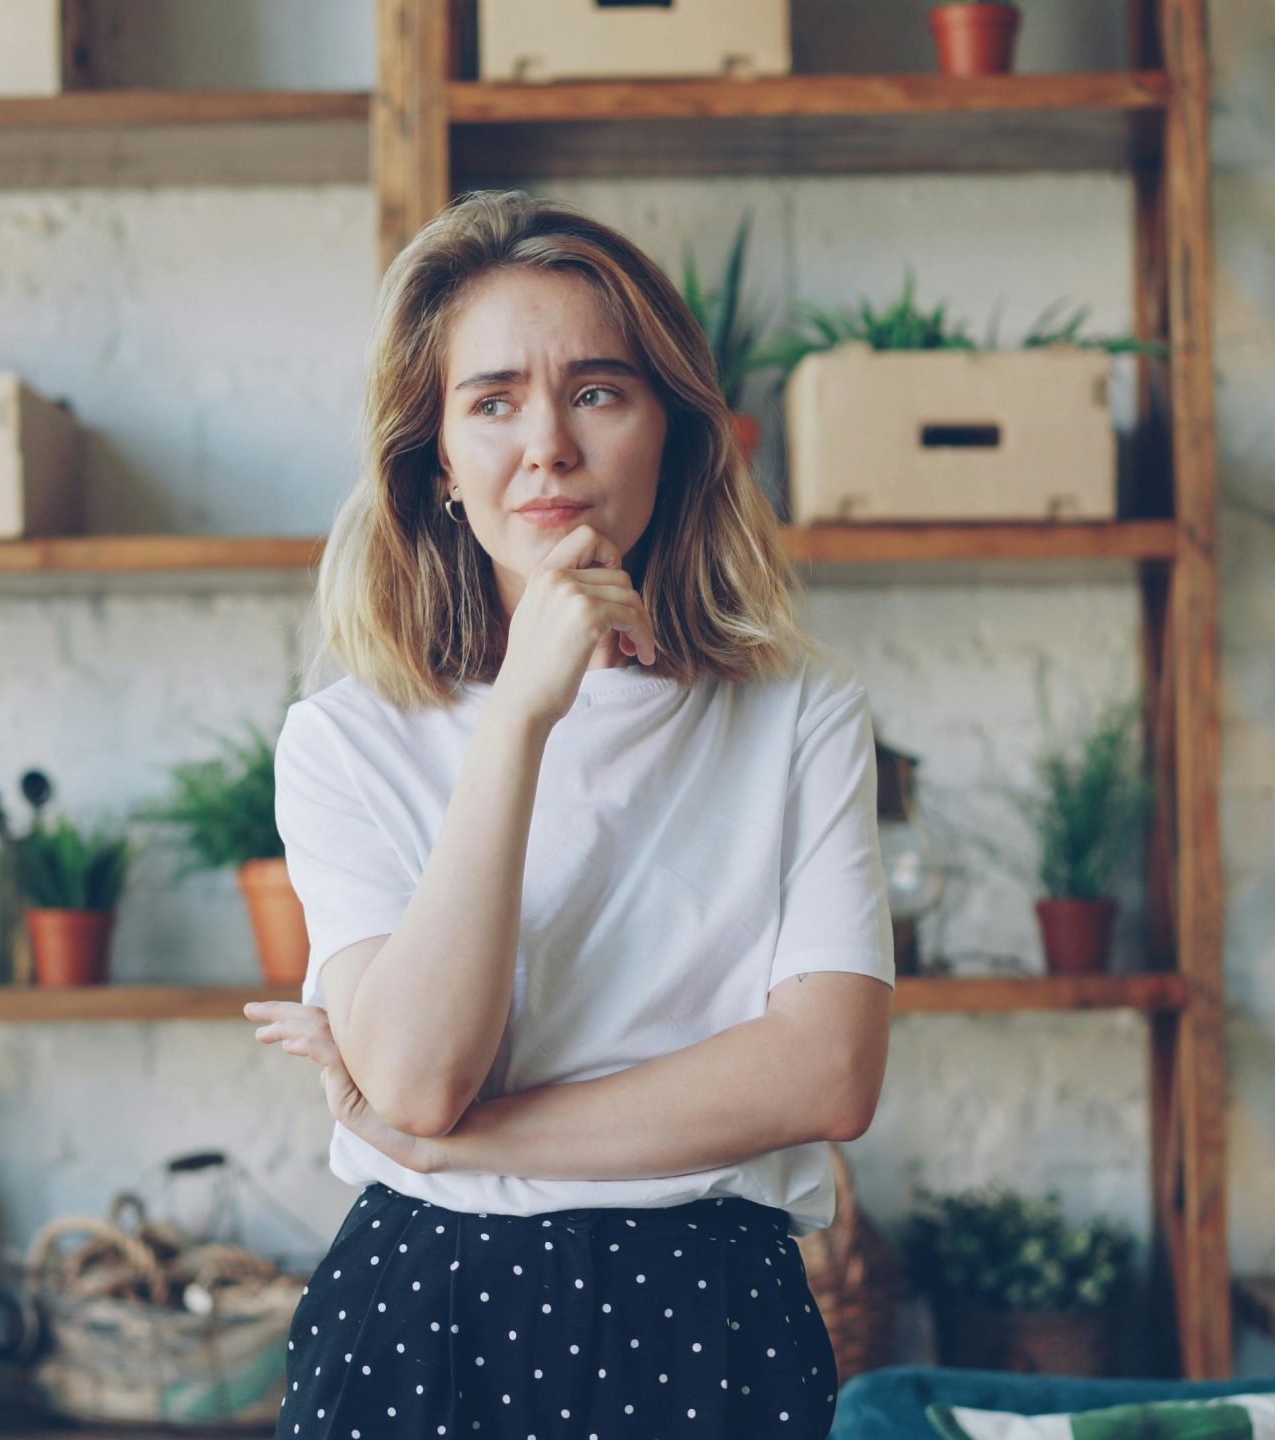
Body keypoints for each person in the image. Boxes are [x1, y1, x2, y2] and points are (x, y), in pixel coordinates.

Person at [241, 189, 895, 1440]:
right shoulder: (343, 740)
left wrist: (472, 1150)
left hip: (714, 1312)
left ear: (675, 434)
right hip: (420, 1317)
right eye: (491, 402)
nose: (546, 444)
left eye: (598, 391)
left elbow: (826, 1072)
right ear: (436, 462)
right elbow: (423, 1079)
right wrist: (521, 718)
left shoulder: (800, 716)